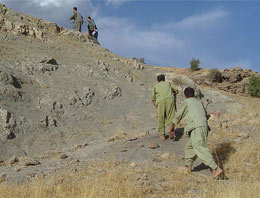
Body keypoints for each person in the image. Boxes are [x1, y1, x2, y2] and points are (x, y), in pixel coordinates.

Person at [168, 87, 223, 178]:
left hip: (196, 127)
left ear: (185, 95)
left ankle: (215, 168)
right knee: (190, 147)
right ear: (193, 94)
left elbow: (178, 115)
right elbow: (205, 115)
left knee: (200, 147)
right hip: (203, 127)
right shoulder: (199, 102)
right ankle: (188, 166)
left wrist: (171, 128)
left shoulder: (187, 102)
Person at [151, 74, 179, 140]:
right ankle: (170, 130)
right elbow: (176, 90)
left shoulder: (155, 86)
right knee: (170, 116)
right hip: (170, 99)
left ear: (157, 80)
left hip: (160, 101)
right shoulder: (169, 84)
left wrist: (156, 106)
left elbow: (153, 98)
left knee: (161, 117)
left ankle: (162, 135)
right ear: (164, 79)